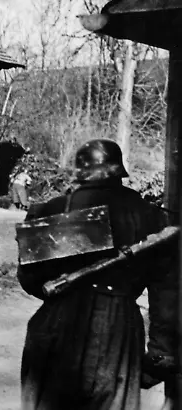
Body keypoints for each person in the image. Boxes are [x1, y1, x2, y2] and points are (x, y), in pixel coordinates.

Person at [18, 139, 178, 410]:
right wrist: (160, 355)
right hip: (117, 328)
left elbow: (31, 280)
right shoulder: (152, 219)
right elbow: (168, 296)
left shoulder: (52, 210)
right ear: (119, 172)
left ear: (80, 172)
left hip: (58, 321)